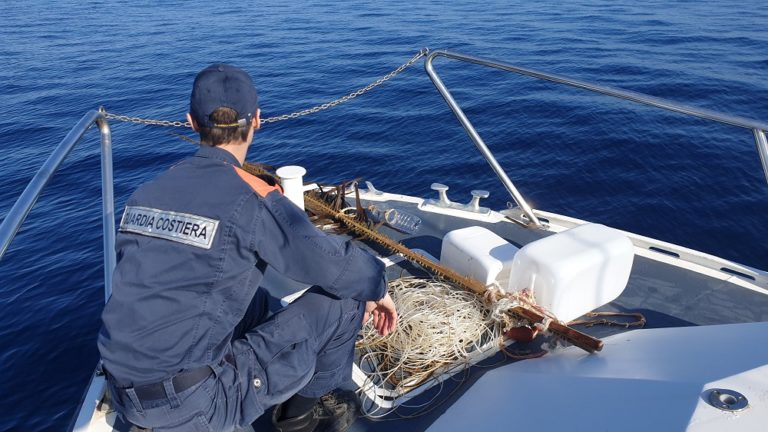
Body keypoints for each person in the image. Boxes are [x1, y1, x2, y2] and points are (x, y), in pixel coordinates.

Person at [98, 63, 397, 432]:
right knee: (347, 301)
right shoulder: (254, 199)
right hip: (194, 406)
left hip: (123, 387)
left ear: (191, 122)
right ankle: (300, 416)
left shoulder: (146, 193)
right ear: (257, 119)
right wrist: (378, 287)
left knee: (254, 301)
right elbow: (339, 269)